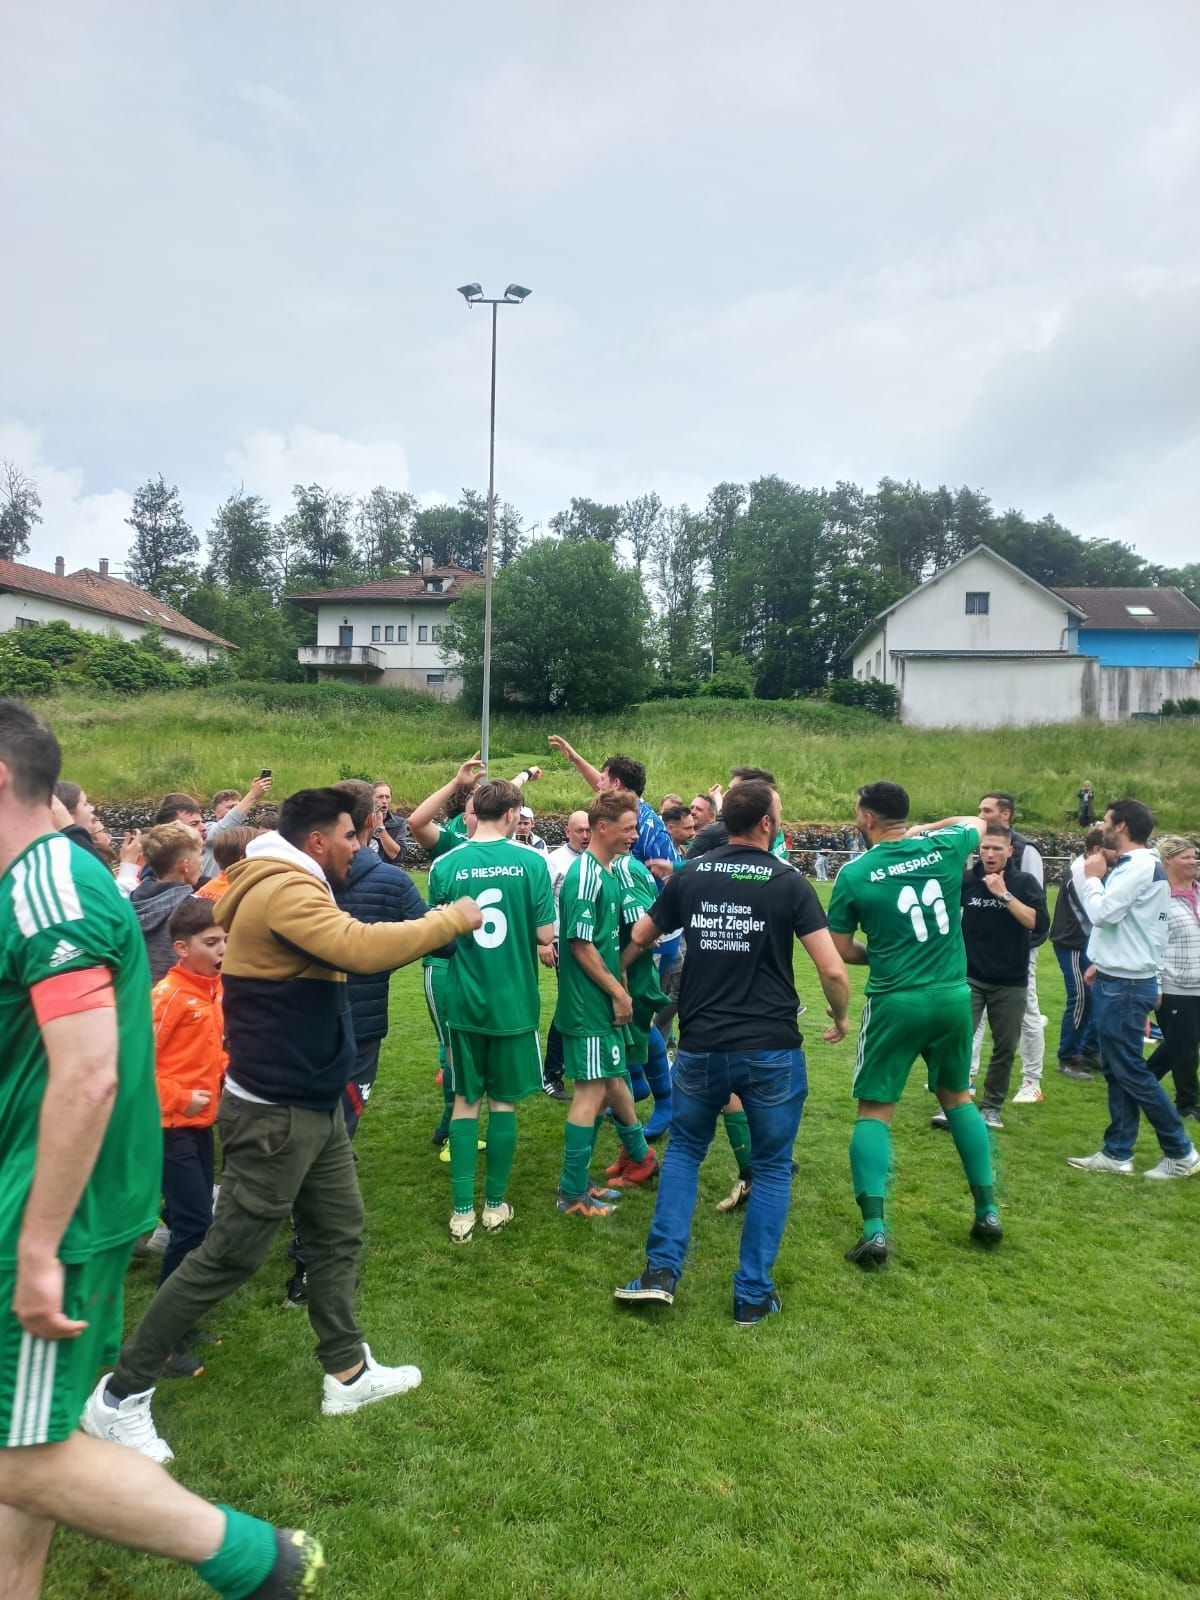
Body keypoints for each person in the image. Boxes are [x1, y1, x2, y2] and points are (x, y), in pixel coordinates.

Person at [0, 700, 326, 1600]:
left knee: (15, 1452)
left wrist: (36, 1244)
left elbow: (90, 1073)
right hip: (61, 1199)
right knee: (31, 1437)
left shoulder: (47, 886)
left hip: (46, 1210)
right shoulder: (49, 880)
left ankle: (254, 1558)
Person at [82, 788, 482, 1465]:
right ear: (319, 839)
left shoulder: (285, 879)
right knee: (229, 1254)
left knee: (337, 1232)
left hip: (314, 1101)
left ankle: (347, 1374)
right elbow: (358, 948)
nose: (362, 845)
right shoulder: (284, 887)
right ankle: (119, 1396)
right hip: (276, 1111)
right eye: (353, 835)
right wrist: (450, 918)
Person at [614, 781, 850, 1324]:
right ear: (766, 823)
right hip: (771, 1047)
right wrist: (840, 1017)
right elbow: (832, 968)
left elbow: (644, 936)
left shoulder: (691, 874)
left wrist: (616, 979)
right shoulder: (788, 882)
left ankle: (660, 1272)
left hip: (701, 1042)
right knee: (770, 1168)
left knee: (685, 1153)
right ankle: (751, 1295)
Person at [826, 783, 1001, 1266]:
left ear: (866, 818)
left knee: (875, 1109)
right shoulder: (943, 846)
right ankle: (987, 1210)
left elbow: (839, 948)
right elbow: (978, 823)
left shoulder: (856, 872)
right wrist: (933, 826)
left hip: (895, 1000)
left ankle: (875, 1230)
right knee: (958, 1099)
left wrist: (879, 956)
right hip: (950, 995)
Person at [283, 781, 432, 1308]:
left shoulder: (307, 877)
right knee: (329, 1142)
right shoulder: (299, 884)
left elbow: (432, 936)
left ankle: (301, 1247)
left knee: (318, 1137)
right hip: (337, 1035)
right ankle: (309, 1262)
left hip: (323, 1031)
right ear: (369, 824)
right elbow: (437, 936)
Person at [428, 780, 556, 1242]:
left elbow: (437, 935)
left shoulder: (446, 864)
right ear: (511, 814)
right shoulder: (532, 862)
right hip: (514, 1002)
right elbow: (546, 936)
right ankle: (495, 1206)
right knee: (502, 1102)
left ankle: (461, 1211)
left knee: (465, 1101)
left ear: (474, 812)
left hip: (464, 1000)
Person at [1067, 800, 1199, 1179]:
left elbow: (1104, 914)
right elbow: (1146, 926)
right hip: (1124, 976)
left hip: (1125, 984)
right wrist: (1104, 961)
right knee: (1118, 1069)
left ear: (1121, 826)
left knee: (1130, 1070)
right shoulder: (1148, 864)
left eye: (1106, 820)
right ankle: (1118, 1152)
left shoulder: (1138, 865)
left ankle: (1181, 1152)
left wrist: (1091, 876)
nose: (1101, 825)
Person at [554, 790, 658, 1217]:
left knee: (614, 1079)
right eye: (628, 827)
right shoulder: (587, 876)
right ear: (602, 828)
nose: (635, 835)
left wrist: (623, 984)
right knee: (591, 1091)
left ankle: (640, 1160)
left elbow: (608, 943)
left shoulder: (608, 871)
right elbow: (580, 946)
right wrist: (617, 992)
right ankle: (571, 1194)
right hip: (589, 1005)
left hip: (604, 1000)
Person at [150, 897, 228, 1378]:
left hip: (199, 1127)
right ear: (182, 947)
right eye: (211, 942)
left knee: (195, 1222)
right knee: (193, 1224)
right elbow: (132, 1060)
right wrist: (181, 1098)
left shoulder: (211, 989)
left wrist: (223, 1071)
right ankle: (160, 1340)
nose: (222, 949)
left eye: (224, 939)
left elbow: (207, 1052)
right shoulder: (169, 996)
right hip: (168, 1127)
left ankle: (180, 1319)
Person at [954, 825, 1048, 1131]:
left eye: (997, 849)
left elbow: (1036, 922)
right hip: (970, 976)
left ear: (1010, 851)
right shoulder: (967, 880)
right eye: (985, 848)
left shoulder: (1024, 883)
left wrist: (1003, 894)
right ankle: (957, 1105)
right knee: (957, 1041)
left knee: (1005, 1047)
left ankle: (991, 1107)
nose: (990, 854)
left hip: (1010, 980)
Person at [977, 792, 1046, 1105]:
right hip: (975, 967)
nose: (980, 815)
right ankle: (963, 1084)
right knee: (969, 1028)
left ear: (1005, 815)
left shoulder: (1026, 854)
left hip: (1017, 958)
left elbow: (1037, 914)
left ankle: (1031, 1080)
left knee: (1027, 1017)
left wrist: (1025, 948)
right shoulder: (971, 869)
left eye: (986, 810)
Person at [547, 737, 675, 868]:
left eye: (602, 779)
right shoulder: (621, 812)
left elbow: (670, 876)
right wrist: (576, 760)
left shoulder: (651, 828)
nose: (598, 785)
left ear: (616, 784)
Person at [1146, 835, 1200, 1122]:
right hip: (1175, 985)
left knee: (1184, 1041)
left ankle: (1143, 1078)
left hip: (1199, 982)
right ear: (1168, 860)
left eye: (1195, 856)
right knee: (1186, 1048)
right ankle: (1188, 1104)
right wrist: (1156, 984)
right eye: (1188, 857)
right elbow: (1152, 943)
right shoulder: (1159, 898)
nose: (1194, 861)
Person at [1049, 827, 1108, 1080]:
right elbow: (1098, 914)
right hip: (1073, 943)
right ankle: (1069, 1056)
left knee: (1099, 996)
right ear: (1097, 851)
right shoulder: (1083, 873)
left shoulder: (1091, 868)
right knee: (1081, 997)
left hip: (1088, 943)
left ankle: (1090, 1049)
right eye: (1113, 848)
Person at [542, 810, 592, 1100]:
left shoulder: (598, 860)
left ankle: (583, 1066)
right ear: (567, 831)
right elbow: (543, 902)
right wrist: (546, 942)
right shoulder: (555, 861)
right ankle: (551, 1074)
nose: (585, 836)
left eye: (588, 830)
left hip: (594, 944)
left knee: (586, 1007)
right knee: (568, 1007)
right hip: (565, 946)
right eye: (579, 831)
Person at [131, 823, 204, 983]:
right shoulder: (195, 910)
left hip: (139, 997)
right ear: (186, 865)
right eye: (200, 855)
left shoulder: (129, 902)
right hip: (178, 998)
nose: (202, 861)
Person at [687, 767, 790, 862]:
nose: (725, 795)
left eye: (731, 791)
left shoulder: (719, 833)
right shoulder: (773, 825)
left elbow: (682, 871)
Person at [201, 776, 273, 881]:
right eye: (230, 808)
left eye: (238, 806)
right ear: (216, 811)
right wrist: (252, 795)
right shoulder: (206, 829)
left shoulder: (245, 835)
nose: (235, 811)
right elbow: (224, 829)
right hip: (208, 892)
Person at [367, 781, 408, 862]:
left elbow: (398, 856)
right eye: (380, 797)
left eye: (387, 797)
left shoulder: (398, 823)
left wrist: (380, 827)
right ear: (370, 799)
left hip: (386, 871)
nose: (384, 801)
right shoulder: (359, 820)